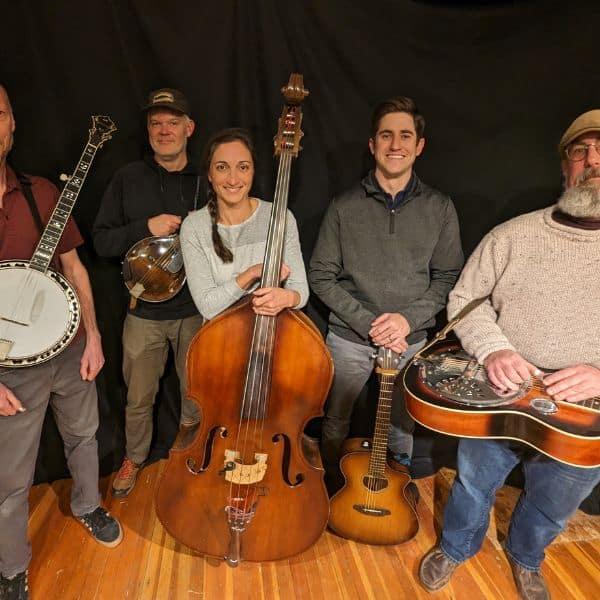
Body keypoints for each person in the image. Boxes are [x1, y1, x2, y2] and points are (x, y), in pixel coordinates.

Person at [419, 109, 600, 600]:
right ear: (565, 165)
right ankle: (456, 548)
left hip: (586, 411)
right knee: (474, 484)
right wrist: (494, 348)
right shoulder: (513, 235)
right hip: (503, 392)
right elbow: (463, 303)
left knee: (555, 499)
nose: (592, 162)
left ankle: (525, 558)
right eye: (580, 151)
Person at [0, 85, 122, 600]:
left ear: (11, 124)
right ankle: (11, 567)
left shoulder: (42, 193)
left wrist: (92, 335)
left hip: (70, 349)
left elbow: (73, 266)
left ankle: (87, 504)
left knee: (84, 436)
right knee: (9, 482)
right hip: (9, 368)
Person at [308, 96, 463, 493]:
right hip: (348, 339)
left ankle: (396, 487)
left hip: (410, 341)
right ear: (373, 144)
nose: (396, 144)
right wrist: (369, 323)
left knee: (400, 423)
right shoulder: (343, 206)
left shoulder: (440, 207)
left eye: (405, 136)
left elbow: (448, 276)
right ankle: (327, 485)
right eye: (387, 135)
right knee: (335, 419)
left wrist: (406, 320)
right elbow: (320, 275)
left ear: (419, 146)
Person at [93, 88, 204, 497]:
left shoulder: (208, 178)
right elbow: (102, 242)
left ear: (189, 128)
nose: (164, 130)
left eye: (173, 122)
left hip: (198, 311)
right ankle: (134, 457)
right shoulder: (128, 178)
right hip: (143, 313)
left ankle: (193, 457)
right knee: (139, 398)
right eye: (156, 122)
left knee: (197, 396)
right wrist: (146, 227)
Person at [180, 127, 308, 323]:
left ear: (253, 171)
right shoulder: (193, 227)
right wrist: (252, 273)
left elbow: (301, 291)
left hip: (273, 334)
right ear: (209, 174)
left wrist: (288, 297)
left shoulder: (280, 217)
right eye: (222, 167)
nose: (233, 179)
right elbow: (207, 306)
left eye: (243, 167)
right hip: (218, 339)